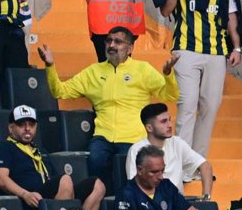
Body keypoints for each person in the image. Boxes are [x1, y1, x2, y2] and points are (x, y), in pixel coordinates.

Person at [149, 0, 242, 159]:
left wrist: (237, 47)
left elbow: (232, 15)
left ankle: (196, 162)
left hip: (216, 51)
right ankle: (179, 162)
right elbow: (165, 10)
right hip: (185, 50)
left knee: (210, 109)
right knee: (187, 106)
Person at [42, 26, 178, 182]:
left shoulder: (142, 69)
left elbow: (171, 94)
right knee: (95, 161)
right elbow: (60, 91)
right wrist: (50, 66)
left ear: (130, 48)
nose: (112, 45)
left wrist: (168, 75)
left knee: (130, 172)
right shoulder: (94, 71)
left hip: (133, 137)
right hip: (103, 136)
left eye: (118, 42)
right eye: (109, 41)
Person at [0, 104, 107, 210]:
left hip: (48, 197)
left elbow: (52, 179)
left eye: (31, 124)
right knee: (65, 181)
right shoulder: (4, 147)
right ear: (11, 128)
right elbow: (1, 180)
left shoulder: (40, 150)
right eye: (21, 125)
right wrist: (25, 194)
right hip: (28, 200)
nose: (27, 128)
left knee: (97, 185)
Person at [117, 144, 219, 210]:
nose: (160, 177)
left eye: (162, 171)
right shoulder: (127, 193)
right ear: (139, 170)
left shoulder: (166, 186)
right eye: (154, 172)